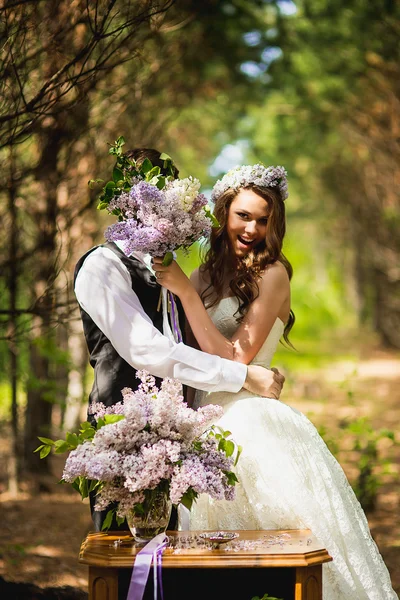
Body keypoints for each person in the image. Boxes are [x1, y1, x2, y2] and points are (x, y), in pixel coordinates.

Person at [153, 164, 398, 600]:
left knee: (280, 546)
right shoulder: (202, 277)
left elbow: (235, 358)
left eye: (263, 219)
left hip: (252, 422)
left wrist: (186, 296)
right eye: (243, 215)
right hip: (202, 421)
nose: (252, 228)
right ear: (223, 213)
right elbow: (183, 352)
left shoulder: (273, 275)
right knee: (213, 557)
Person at [74, 150, 285, 531]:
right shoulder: (103, 266)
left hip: (186, 438)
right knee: (126, 558)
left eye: (170, 199)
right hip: (123, 437)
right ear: (126, 200)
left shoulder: (170, 272)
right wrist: (245, 376)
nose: (163, 209)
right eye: (151, 197)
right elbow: (146, 350)